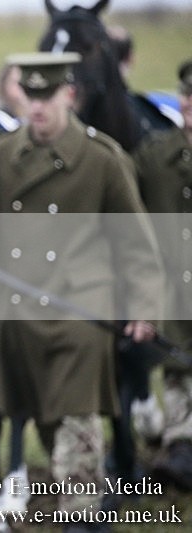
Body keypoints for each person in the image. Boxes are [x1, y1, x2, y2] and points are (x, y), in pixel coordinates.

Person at [0, 52, 163, 525]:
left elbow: (137, 242)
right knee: (35, 418)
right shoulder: (1, 156)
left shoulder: (103, 161)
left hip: (79, 316)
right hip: (18, 317)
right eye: (30, 96)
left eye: (48, 97)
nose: (37, 108)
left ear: (70, 96)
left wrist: (144, 305)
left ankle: (81, 513)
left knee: (76, 424)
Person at [131, 58, 192, 492]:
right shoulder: (154, 157)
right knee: (177, 375)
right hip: (174, 297)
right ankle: (180, 449)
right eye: (187, 96)